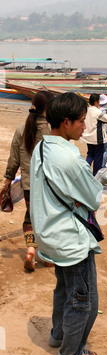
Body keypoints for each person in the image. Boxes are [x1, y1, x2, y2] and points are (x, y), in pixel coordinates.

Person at [30, 92, 103, 355]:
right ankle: (70, 353)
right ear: (66, 123)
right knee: (85, 300)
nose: (85, 127)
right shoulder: (70, 160)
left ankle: (58, 335)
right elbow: (94, 197)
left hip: (50, 234)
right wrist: (81, 195)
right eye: (82, 122)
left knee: (64, 289)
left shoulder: (42, 147)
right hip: (70, 239)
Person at [3, 90, 54, 271]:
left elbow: (14, 160)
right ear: (48, 108)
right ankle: (47, 256)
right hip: (50, 185)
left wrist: (7, 181)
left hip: (29, 185)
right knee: (49, 219)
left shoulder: (20, 130)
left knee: (31, 217)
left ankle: (31, 249)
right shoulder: (52, 130)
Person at [81, 93, 104, 176]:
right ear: (96, 102)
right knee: (98, 156)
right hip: (97, 138)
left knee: (90, 154)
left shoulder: (86, 110)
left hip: (88, 137)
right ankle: (96, 174)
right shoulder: (97, 111)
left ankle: (85, 171)